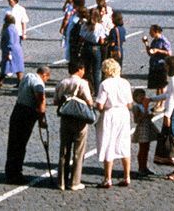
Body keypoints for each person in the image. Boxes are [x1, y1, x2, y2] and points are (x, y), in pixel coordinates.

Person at [4, 65, 50, 184]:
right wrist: (42, 119)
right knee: (20, 144)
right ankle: (16, 174)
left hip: (17, 109)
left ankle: (10, 171)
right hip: (27, 114)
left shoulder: (27, 76)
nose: (46, 81)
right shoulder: (38, 82)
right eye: (47, 79)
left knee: (13, 143)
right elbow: (41, 98)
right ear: (45, 75)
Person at [53, 60, 93, 191]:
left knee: (64, 150)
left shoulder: (62, 83)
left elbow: (55, 101)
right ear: (80, 69)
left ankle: (61, 181)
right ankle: (75, 182)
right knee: (78, 151)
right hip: (80, 120)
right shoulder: (83, 83)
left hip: (66, 118)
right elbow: (89, 101)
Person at [95, 58, 133, 188]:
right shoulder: (125, 83)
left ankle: (107, 178)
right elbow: (129, 104)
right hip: (123, 114)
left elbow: (100, 105)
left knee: (108, 144)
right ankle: (127, 176)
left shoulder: (105, 84)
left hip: (110, 114)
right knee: (124, 144)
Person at [149, 55, 174, 181]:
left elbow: (171, 99)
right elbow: (168, 95)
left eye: (166, 65)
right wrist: (152, 99)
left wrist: (167, 115)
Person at [131, 88, 159, 178]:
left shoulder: (144, 105)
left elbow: (148, 116)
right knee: (142, 149)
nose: (143, 97)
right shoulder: (136, 107)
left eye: (144, 95)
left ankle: (145, 167)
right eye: (140, 96)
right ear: (136, 98)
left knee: (146, 148)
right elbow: (136, 120)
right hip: (142, 130)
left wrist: (151, 114)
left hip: (148, 128)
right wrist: (145, 114)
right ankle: (141, 167)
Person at [0, 13, 24, 88]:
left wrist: (9, 52)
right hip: (16, 50)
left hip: (11, 50)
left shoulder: (9, 29)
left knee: (6, 66)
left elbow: (10, 41)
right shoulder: (13, 27)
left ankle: (0, 81)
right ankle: (20, 82)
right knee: (18, 66)